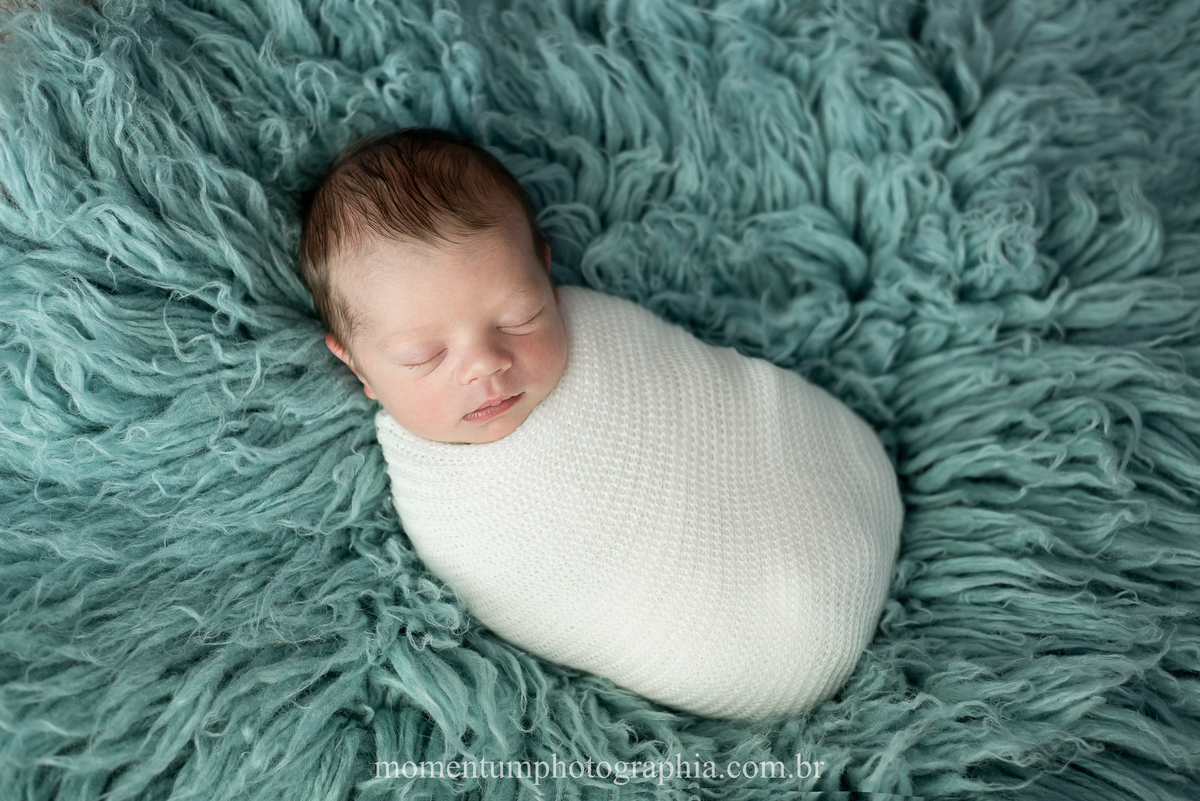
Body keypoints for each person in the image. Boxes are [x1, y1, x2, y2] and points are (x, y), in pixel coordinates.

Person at [299, 127, 904, 721]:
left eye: (519, 316)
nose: (486, 364)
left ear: (545, 271)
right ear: (358, 366)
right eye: (424, 358)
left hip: (837, 478)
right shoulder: (439, 500)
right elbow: (526, 594)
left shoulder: (597, 329)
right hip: (766, 658)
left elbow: (706, 394)